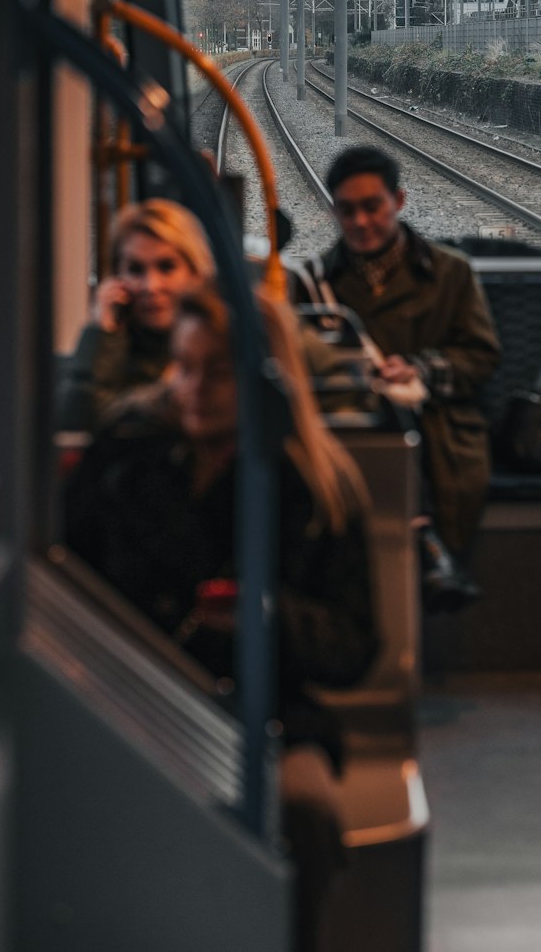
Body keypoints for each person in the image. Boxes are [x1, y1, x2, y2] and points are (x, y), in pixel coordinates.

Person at [65, 285, 377, 952]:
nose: (193, 388)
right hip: (134, 699)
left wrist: (266, 616)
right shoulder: (126, 454)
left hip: (268, 714)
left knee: (305, 810)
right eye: (183, 366)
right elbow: (69, 576)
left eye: (217, 370)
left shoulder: (315, 487)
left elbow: (354, 646)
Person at [292, 145, 501, 611]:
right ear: (333, 212)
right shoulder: (310, 285)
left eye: (373, 207)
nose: (362, 222)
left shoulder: (452, 273)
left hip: (437, 424)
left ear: (398, 201)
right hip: (348, 424)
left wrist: (422, 369)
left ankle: (425, 550)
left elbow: (480, 355)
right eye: (347, 210)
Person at [56, 198, 215, 435]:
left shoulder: (216, 348)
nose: (150, 286)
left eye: (166, 267)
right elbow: (75, 427)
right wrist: (103, 333)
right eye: (135, 270)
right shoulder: (108, 348)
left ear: (195, 273)